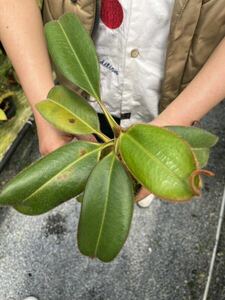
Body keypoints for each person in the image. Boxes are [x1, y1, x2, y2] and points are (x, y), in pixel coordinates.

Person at [0, 0, 225, 208]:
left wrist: (167, 139)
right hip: (83, 93)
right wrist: (45, 104)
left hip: (167, 95)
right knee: (102, 170)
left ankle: (140, 183)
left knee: (136, 175)